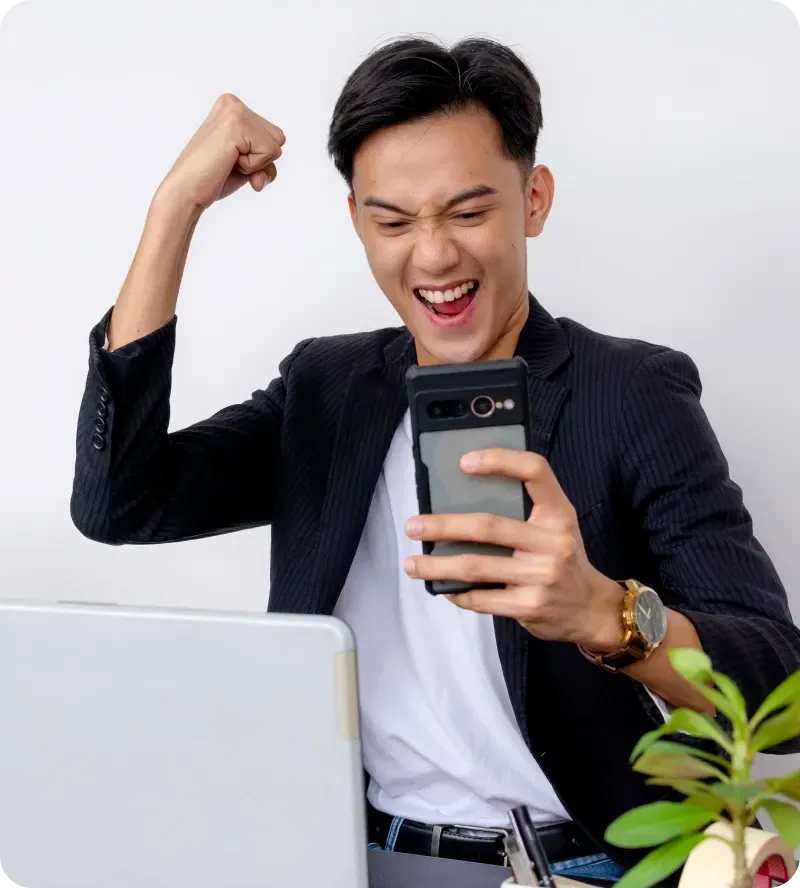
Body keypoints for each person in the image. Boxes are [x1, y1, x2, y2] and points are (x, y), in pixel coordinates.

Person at [71, 36, 800, 886]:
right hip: (350, 859)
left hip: (580, 866)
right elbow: (119, 501)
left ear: (534, 199)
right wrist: (175, 209)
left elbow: (779, 682)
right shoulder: (327, 387)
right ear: (357, 223)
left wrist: (610, 615)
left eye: (467, 212)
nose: (434, 257)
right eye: (392, 221)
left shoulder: (632, 390)